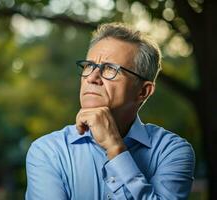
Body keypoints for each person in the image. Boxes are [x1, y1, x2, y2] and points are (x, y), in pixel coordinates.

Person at [25, 23, 195, 200]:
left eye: (111, 69)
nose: (91, 78)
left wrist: (115, 148)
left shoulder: (172, 152)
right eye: (89, 66)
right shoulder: (47, 152)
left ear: (143, 91)